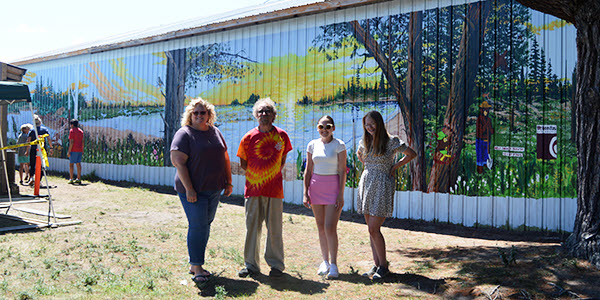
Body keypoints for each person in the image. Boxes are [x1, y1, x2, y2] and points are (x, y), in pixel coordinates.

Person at [170, 98, 233, 284]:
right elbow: (178, 162)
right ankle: (197, 267)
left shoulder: (215, 132)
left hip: (214, 188)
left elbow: (225, 158)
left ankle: (195, 263)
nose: (199, 115)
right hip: (193, 190)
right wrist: (189, 189)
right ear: (190, 114)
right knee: (198, 226)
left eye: (202, 112)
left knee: (206, 224)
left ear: (209, 115)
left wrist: (228, 182)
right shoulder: (184, 134)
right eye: (195, 112)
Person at [356, 110, 416, 280]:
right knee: (371, 229)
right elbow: (360, 155)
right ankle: (376, 265)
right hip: (367, 184)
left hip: (382, 184)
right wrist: (368, 168)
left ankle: (384, 266)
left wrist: (394, 167)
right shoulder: (365, 142)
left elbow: (411, 154)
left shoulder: (391, 141)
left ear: (379, 123)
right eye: (366, 125)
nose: (369, 128)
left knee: (374, 228)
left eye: (372, 124)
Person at [237, 98, 292, 278]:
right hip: (253, 190)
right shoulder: (248, 137)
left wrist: (269, 174)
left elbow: (282, 160)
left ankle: (276, 266)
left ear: (274, 116)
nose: (264, 114)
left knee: (275, 228)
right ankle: (251, 265)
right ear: (255, 115)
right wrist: (258, 177)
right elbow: (243, 162)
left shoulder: (282, 136)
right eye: (260, 111)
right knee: (252, 227)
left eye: (268, 111)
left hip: (275, 190)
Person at [303, 115, 347, 279]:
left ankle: (334, 264)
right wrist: (305, 192)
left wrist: (340, 194)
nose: (324, 129)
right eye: (321, 127)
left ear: (333, 128)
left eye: (328, 126)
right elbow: (308, 170)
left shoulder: (339, 145)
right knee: (320, 226)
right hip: (316, 188)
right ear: (317, 128)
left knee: (330, 227)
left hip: (333, 188)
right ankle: (325, 261)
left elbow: (342, 171)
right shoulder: (312, 145)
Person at [26, 114, 53, 186]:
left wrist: (27, 150)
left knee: (32, 164)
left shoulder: (32, 130)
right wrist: (51, 147)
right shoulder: (45, 130)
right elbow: (49, 139)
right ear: (40, 122)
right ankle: (39, 180)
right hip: (42, 149)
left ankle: (31, 177)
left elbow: (28, 141)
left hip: (33, 149)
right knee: (41, 165)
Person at [67, 119, 84, 184]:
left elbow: (71, 141)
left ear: (72, 125)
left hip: (73, 149)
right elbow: (83, 141)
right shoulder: (81, 131)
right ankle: (78, 178)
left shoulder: (72, 131)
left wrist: (69, 151)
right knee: (78, 164)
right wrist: (82, 149)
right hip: (79, 149)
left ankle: (71, 178)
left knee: (71, 164)